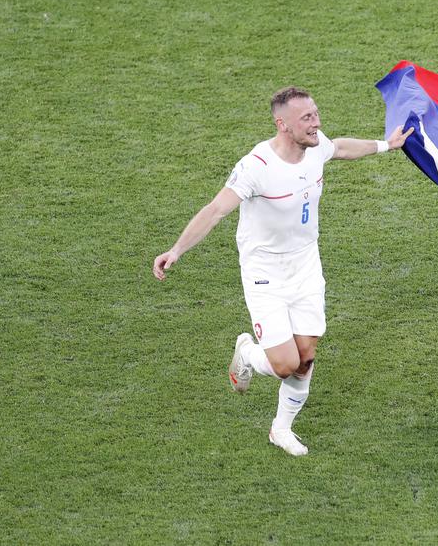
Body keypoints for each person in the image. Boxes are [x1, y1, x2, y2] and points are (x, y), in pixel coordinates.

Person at [153, 86, 412, 455]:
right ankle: (246, 352)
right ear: (282, 124)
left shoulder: (315, 145)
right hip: (265, 272)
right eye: (307, 118)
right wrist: (176, 250)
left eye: (316, 114)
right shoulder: (256, 167)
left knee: (305, 358)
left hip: (305, 264)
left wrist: (387, 145)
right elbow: (215, 210)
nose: (316, 123)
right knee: (284, 363)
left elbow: (338, 147)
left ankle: (281, 429)